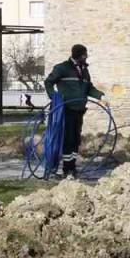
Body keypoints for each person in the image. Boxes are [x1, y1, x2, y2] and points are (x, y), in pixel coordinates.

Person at [43, 44, 107, 178]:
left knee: (76, 139)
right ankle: (67, 169)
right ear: (79, 55)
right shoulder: (62, 68)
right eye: (85, 55)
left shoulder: (84, 71)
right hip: (66, 109)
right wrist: (55, 97)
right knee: (68, 138)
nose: (87, 57)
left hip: (79, 110)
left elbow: (89, 88)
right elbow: (48, 82)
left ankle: (72, 166)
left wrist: (100, 97)